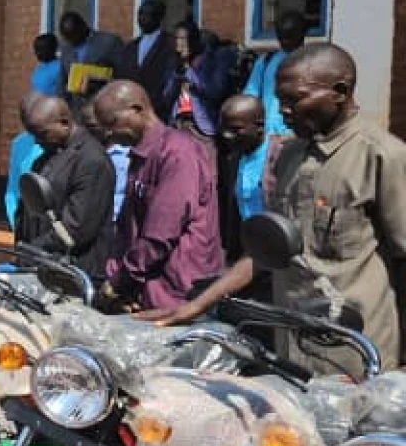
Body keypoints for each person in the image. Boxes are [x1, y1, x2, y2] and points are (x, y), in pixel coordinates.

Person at [150, 45, 406, 368]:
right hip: (291, 347)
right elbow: (268, 253)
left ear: (339, 92)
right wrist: (193, 307)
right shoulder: (289, 156)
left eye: (294, 100)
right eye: (280, 100)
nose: (283, 111)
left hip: (354, 355)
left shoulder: (382, 156)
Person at [92, 80, 223, 310]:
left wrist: (119, 283)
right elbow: (126, 231)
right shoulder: (139, 156)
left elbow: (159, 235)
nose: (109, 134)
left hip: (178, 297)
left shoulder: (178, 153)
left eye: (112, 123)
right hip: (143, 293)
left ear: (137, 109)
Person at [15, 93, 115, 272]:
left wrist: (35, 249)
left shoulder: (91, 160)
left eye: (42, 134)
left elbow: (78, 227)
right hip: (42, 262)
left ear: (64, 123)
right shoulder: (48, 155)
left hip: (73, 269)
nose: (38, 142)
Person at [214, 94, 278, 258]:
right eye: (224, 129)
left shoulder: (278, 157)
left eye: (235, 130)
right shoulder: (236, 158)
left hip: (274, 251)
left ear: (259, 126)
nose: (227, 136)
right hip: (248, 249)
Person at [166, 20, 237, 140]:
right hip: (177, 124)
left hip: (201, 127)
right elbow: (167, 97)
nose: (179, 44)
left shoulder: (212, 61)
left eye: (183, 39)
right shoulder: (174, 63)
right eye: (176, 39)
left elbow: (215, 92)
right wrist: (177, 73)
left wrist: (189, 72)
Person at [243, 10, 309, 140]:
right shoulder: (266, 61)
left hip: (295, 137)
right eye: (280, 36)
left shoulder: (313, 63)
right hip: (265, 137)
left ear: (302, 34)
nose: (284, 41)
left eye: (289, 36)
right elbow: (250, 96)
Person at [116, 0, 175, 116]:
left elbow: (170, 78)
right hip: (132, 109)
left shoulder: (170, 44)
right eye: (140, 14)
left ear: (159, 18)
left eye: (148, 15)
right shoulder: (130, 47)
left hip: (159, 110)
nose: (142, 18)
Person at [57, 11, 121, 101]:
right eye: (67, 37)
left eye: (73, 35)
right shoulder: (66, 49)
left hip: (102, 103)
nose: (71, 41)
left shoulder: (109, 42)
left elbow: (122, 74)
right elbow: (62, 82)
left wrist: (97, 80)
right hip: (76, 108)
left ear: (83, 27)